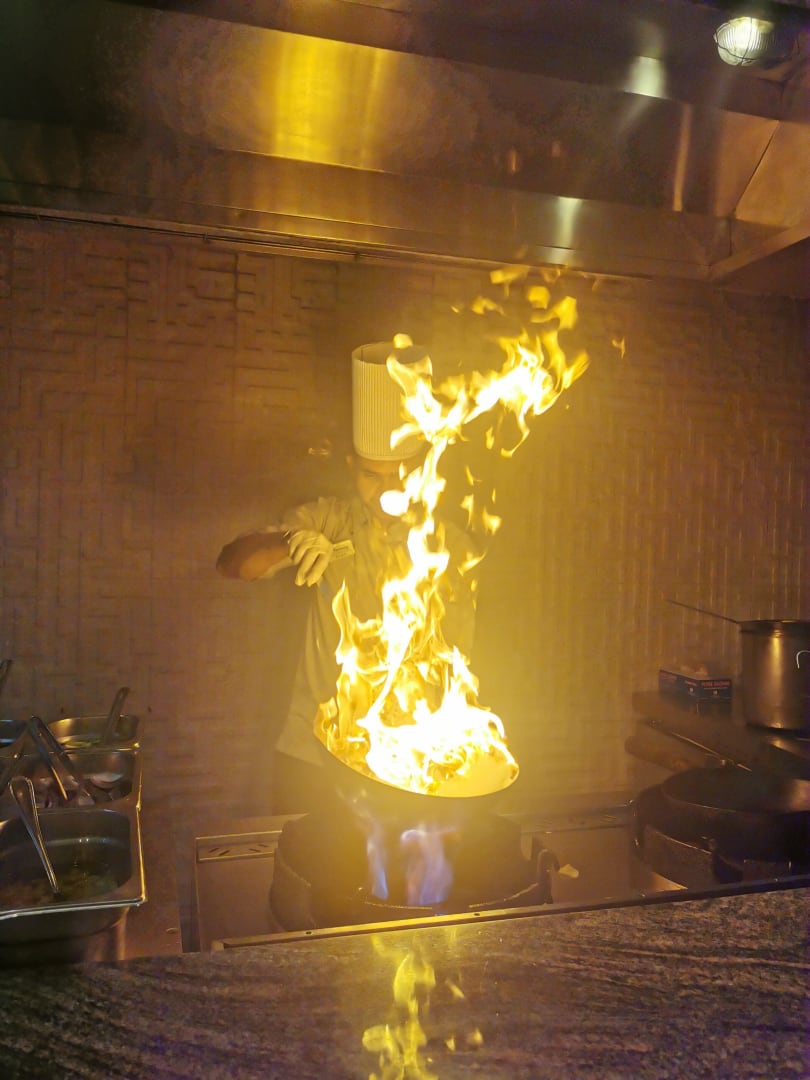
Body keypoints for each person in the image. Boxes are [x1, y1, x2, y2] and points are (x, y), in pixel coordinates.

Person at [216, 339, 479, 815]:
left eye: (400, 475)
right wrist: (292, 544)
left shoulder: (448, 547)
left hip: (400, 763)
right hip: (312, 753)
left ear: (422, 471)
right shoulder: (331, 520)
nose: (386, 491)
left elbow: (456, 656)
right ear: (352, 469)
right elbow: (235, 564)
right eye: (372, 477)